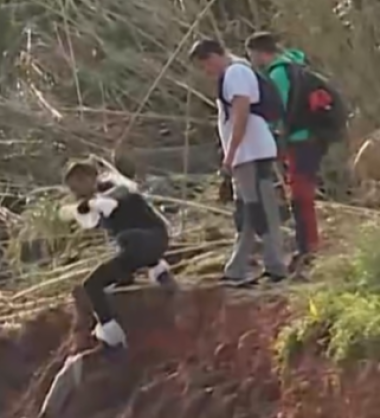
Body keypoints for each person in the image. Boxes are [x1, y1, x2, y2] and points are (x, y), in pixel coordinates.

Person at [189, 38, 289, 285]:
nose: (206, 72)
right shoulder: (236, 71)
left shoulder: (236, 73)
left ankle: (273, 264)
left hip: (250, 152)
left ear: (213, 56)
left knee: (259, 208)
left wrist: (230, 155)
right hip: (247, 153)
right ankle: (238, 267)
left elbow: (241, 113)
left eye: (205, 65)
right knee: (247, 210)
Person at [246, 32, 347, 262]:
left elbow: (278, 110)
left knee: (301, 194)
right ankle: (307, 245)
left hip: (302, 138)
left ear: (259, 53)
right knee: (301, 191)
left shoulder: (279, 73)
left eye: (251, 55)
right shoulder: (295, 66)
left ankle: (309, 248)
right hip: (311, 136)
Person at [63, 159, 176, 350]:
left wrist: (93, 202)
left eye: (76, 187)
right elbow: (93, 219)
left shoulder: (113, 187)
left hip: (146, 241)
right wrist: (87, 208)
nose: (75, 193)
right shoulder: (98, 200)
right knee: (115, 262)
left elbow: (120, 193)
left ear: (88, 178)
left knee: (93, 283)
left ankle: (113, 337)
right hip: (144, 246)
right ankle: (157, 272)